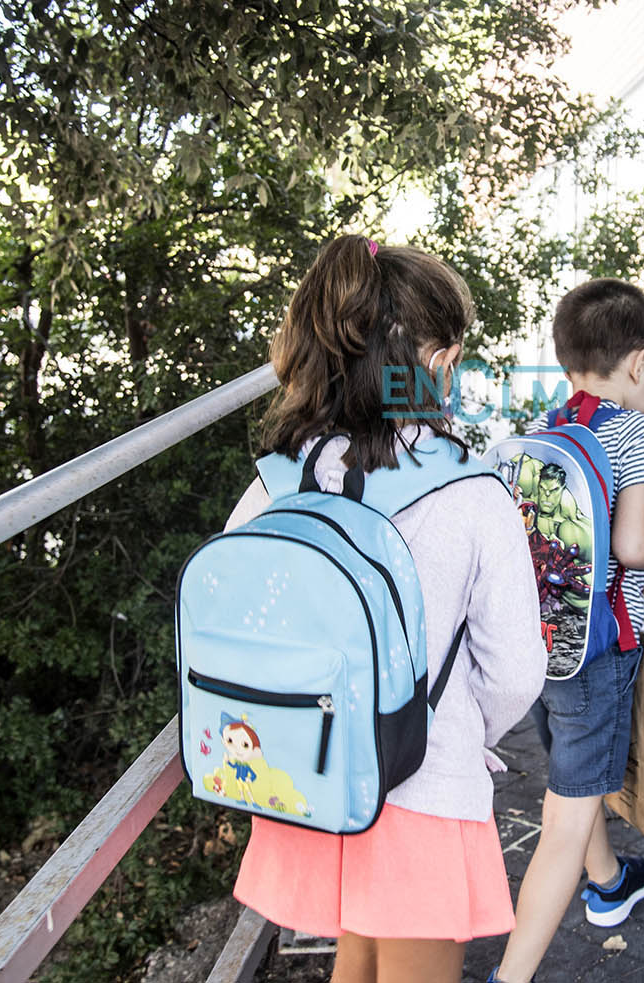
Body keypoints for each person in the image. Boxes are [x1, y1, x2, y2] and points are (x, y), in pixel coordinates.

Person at [227, 236, 547, 983]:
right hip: (425, 784)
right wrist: (459, 729)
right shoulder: (473, 489)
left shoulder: (279, 478)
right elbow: (514, 671)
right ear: (437, 363)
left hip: (309, 777)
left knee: (358, 956)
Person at [491, 278, 644, 983]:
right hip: (600, 653)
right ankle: (509, 976)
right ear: (639, 362)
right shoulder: (637, 432)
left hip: (542, 645)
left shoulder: (543, 428)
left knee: (573, 777)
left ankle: (610, 883)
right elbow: (633, 545)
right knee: (565, 818)